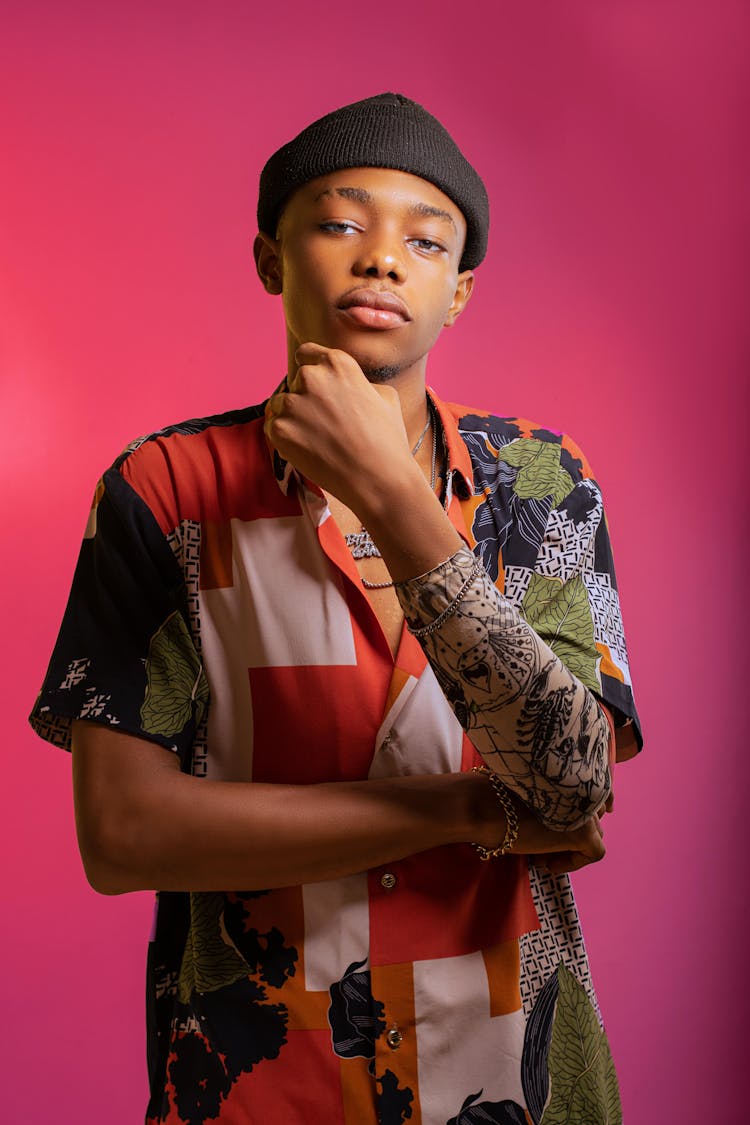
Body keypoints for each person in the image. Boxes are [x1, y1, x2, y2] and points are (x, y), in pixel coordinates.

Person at [30, 93, 641, 1125]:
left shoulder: (544, 482)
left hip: (511, 1066)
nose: (383, 259)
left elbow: (570, 781)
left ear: (459, 293)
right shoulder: (162, 492)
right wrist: (456, 810)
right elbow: (125, 835)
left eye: (426, 239)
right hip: (261, 1075)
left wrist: (399, 501)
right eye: (341, 224)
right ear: (271, 260)